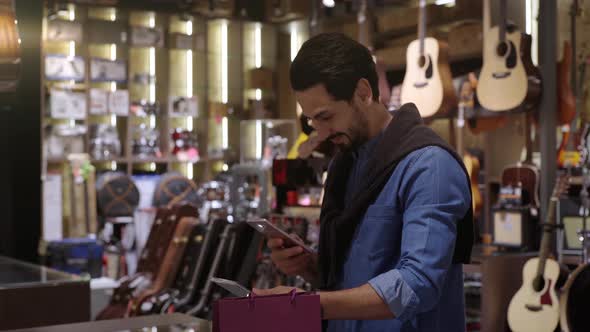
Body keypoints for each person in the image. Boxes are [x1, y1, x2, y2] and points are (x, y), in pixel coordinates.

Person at [254, 33, 474, 332]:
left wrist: (307, 303)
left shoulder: (428, 166)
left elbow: (417, 284)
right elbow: (357, 278)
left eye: (326, 116)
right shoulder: (347, 163)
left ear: (363, 92)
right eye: (312, 122)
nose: (319, 134)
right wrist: (311, 267)